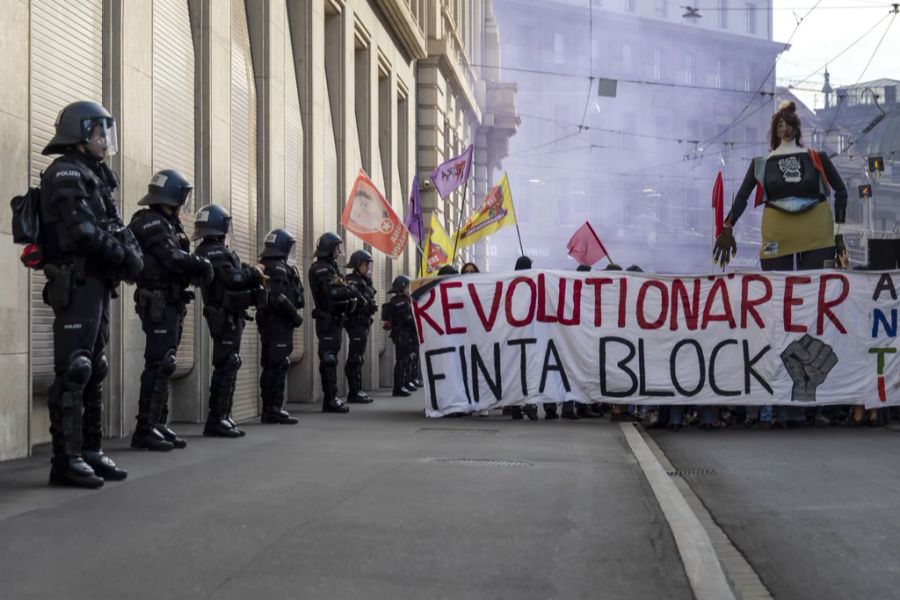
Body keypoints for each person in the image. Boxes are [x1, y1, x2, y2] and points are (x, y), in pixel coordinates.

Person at [713, 100, 848, 427]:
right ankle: (785, 385)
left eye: (788, 124)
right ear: (773, 131)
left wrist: (839, 236)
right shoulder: (761, 163)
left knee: (818, 305)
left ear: (796, 128)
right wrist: (727, 228)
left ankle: (816, 392)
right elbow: (743, 196)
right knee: (778, 307)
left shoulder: (817, 158)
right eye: (779, 125)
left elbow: (842, 192)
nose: (783, 129)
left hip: (817, 231)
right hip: (777, 234)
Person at [39, 100, 143, 487]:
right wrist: (124, 257)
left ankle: (90, 450)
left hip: (97, 282)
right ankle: (64, 460)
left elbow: (113, 225)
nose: (105, 140)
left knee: (94, 368)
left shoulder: (94, 174)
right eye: (100, 133)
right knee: (76, 368)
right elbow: (82, 231)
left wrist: (129, 255)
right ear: (82, 134)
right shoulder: (66, 171)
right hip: (76, 280)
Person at [128, 170, 213, 451]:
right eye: (182, 196)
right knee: (159, 362)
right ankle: (145, 428)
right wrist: (201, 265)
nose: (184, 203)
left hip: (170, 301)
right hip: (157, 301)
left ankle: (158, 423)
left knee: (166, 363)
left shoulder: (169, 222)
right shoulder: (150, 221)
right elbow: (171, 257)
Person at [194, 204, 267, 437]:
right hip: (224, 317)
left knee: (230, 363)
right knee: (226, 365)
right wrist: (254, 272)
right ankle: (216, 419)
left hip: (230, 316)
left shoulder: (214, 250)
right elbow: (233, 279)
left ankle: (224, 415)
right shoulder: (212, 251)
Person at [256, 228, 305, 424]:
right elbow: (277, 298)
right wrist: (295, 317)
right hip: (277, 323)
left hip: (274, 323)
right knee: (276, 366)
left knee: (274, 365)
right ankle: (273, 409)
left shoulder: (273, 265)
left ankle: (272, 408)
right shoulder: (276, 268)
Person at [308, 233, 358, 413]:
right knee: (328, 359)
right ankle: (329, 399)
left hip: (335, 319)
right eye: (337, 248)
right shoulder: (321, 268)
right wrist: (351, 292)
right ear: (329, 248)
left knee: (332, 358)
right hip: (327, 319)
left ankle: (332, 397)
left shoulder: (331, 267)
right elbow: (332, 293)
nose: (339, 251)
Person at [344, 250, 378, 404]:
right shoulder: (352, 280)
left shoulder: (364, 281)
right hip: (356, 322)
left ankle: (358, 389)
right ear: (358, 264)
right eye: (366, 264)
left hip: (364, 322)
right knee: (355, 358)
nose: (368, 267)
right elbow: (351, 300)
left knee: (359, 357)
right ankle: (353, 391)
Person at [385, 275, 417, 397]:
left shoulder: (402, 300)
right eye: (408, 287)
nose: (410, 290)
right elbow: (409, 319)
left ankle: (403, 383)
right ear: (402, 288)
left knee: (406, 359)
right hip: (402, 335)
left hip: (403, 334)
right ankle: (398, 387)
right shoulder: (401, 302)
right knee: (402, 361)